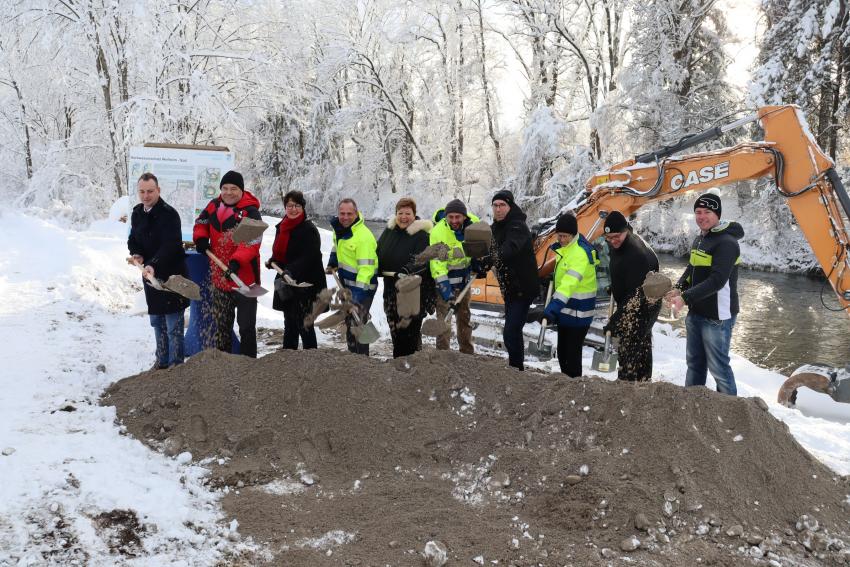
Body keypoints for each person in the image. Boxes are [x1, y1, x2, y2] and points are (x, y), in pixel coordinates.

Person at [666, 193, 744, 396]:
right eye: (698, 212)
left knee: (719, 369)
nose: (701, 216)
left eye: (707, 212)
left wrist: (684, 298)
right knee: (694, 364)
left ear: (717, 214)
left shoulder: (726, 243)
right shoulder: (701, 238)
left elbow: (717, 281)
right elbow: (692, 268)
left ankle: (730, 412)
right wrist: (679, 288)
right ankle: (692, 404)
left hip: (717, 316)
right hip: (697, 311)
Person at [192, 170, 262, 358]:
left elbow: (251, 243)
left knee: (246, 326)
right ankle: (224, 365)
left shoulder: (251, 212)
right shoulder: (214, 206)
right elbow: (201, 222)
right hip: (221, 278)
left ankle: (249, 364)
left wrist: (237, 261)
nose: (228, 192)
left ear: (241, 190)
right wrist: (200, 238)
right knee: (222, 324)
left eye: (233, 188)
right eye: (225, 188)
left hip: (244, 280)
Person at [128, 173, 190, 369]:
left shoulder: (169, 214)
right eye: (142, 192)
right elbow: (133, 239)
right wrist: (137, 254)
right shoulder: (137, 213)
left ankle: (176, 365)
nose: (146, 196)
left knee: (173, 325)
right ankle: (161, 361)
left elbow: (170, 246)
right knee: (156, 321)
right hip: (149, 276)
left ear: (158, 190)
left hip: (172, 276)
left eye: (150, 191)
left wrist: (153, 263)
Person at [603, 211, 661, 382]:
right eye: (608, 237)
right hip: (633, 299)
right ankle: (641, 384)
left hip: (644, 306)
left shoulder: (637, 254)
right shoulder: (619, 244)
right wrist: (615, 287)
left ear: (626, 230)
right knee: (638, 347)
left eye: (616, 236)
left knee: (631, 350)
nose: (613, 241)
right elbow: (622, 271)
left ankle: (628, 387)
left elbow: (636, 295)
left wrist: (615, 322)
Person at [267, 190, 327, 350]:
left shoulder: (309, 229)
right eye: (289, 205)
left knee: (305, 324)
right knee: (290, 322)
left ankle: (311, 359)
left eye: (297, 205)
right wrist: (274, 261)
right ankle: (289, 358)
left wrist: (290, 270)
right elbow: (280, 252)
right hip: (286, 281)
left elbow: (309, 257)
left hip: (306, 283)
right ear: (285, 207)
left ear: (303, 207)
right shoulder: (282, 227)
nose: (293, 209)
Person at [487, 190, 540, 370]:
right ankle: (516, 367)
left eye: (502, 205)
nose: (499, 209)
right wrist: (480, 263)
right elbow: (489, 250)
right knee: (513, 330)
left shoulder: (518, 226)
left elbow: (509, 249)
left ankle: (516, 368)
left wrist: (490, 259)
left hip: (523, 288)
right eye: (495, 205)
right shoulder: (495, 228)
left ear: (510, 207)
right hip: (509, 288)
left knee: (510, 331)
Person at [376, 197, 434, 358]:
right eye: (400, 213)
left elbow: (422, 259)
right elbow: (378, 251)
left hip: (412, 291)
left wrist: (406, 270)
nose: (403, 217)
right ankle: (399, 363)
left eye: (408, 213)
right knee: (394, 327)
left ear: (414, 215)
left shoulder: (421, 235)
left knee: (408, 331)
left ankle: (410, 365)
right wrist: (375, 267)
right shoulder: (389, 232)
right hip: (390, 288)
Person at [543, 214, 599, 377]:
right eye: (559, 235)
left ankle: (574, 390)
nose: (561, 239)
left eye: (564, 236)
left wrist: (551, 309)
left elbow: (568, 285)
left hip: (578, 314)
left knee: (571, 357)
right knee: (562, 354)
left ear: (573, 235)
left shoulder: (579, 254)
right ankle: (567, 388)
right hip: (567, 311)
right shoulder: (567, 250)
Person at [326, 198, 378, 355]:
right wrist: (332, 262)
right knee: (350, 322)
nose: (345, 217)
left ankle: (362, 361)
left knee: (358, 324)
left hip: (364, 288)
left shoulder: (364, 237)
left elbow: (366, 270)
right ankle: (352, 358)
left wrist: (356, 299)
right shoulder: (340, 230)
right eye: (342, 213)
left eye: (349, 213)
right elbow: (337, 247)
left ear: (356, 213)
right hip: (346, 286)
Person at [429, 199, 479, 354]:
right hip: (444, 283)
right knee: (444, 321)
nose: (454, 221)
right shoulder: (437, 232)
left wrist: (479, 262)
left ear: (464, 216)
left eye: (458, 217)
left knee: (464, 318)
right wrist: (447, 293)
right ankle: (443, 355)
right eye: (451, 217)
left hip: (464, 282)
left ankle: (467, 352)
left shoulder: (474, 226)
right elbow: (437, 265)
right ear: (446, 217)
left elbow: (480, 249)